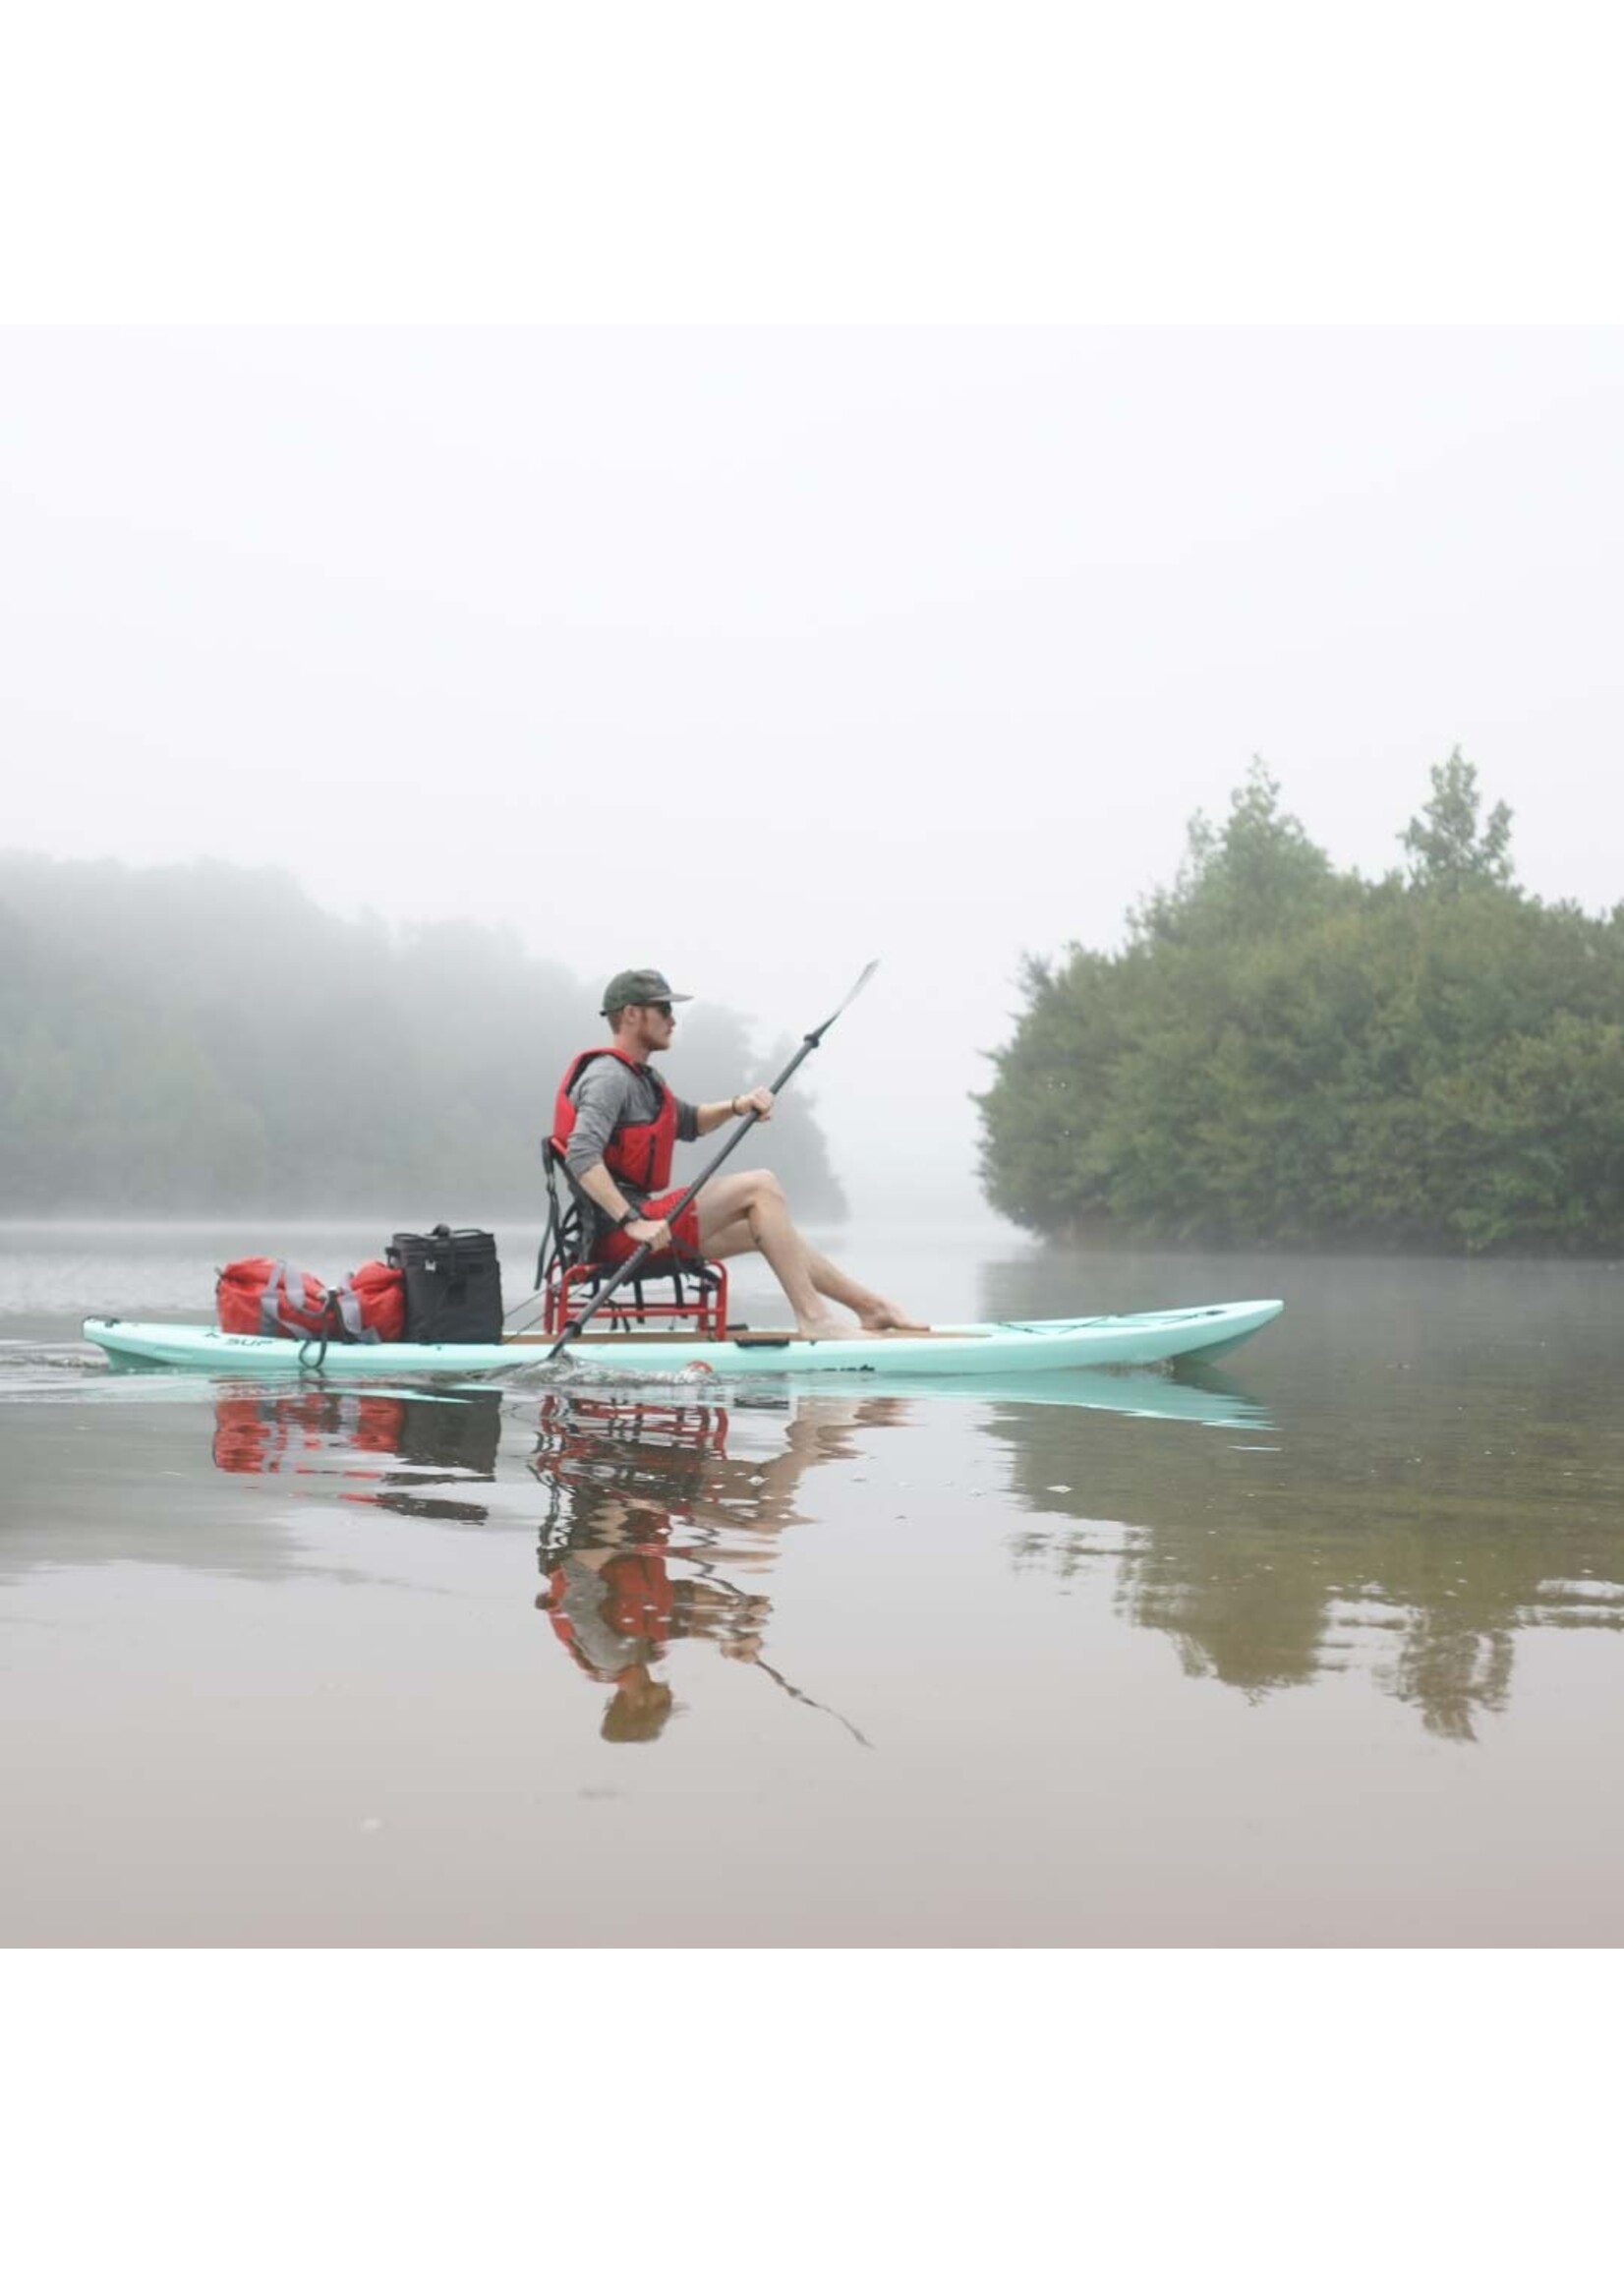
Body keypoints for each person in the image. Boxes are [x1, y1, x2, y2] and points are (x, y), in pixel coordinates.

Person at [551, 966, 921, 1339]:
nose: (673, 1020)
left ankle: (872, 1308)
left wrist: (739, 1104)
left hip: (641, 1225)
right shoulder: (607, 1077)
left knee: (757, 1229)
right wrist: (632, 1220)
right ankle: (815, 1319)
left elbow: (690, 1121)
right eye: (663, 1010)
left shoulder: (642, 1079)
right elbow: (581, 1155)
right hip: (620, 1234)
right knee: (761, 1186)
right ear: (631, 1013)